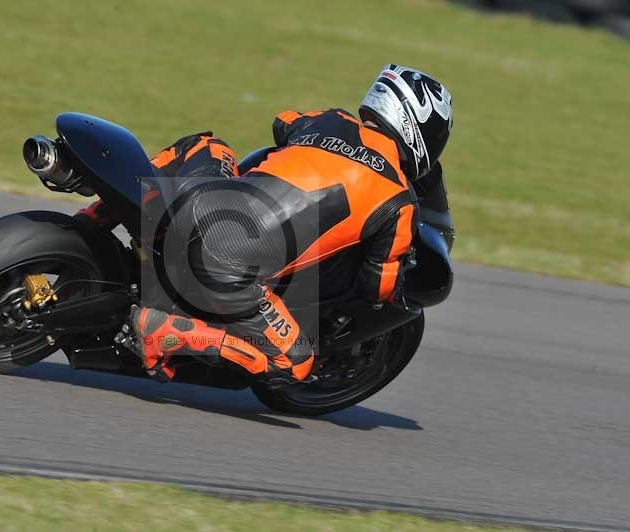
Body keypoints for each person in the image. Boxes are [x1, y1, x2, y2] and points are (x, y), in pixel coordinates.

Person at [80, 64, 454, 386]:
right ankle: (168, 332)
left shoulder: (331, 119)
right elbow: (378, 287)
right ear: (420, 131)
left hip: (196, 209)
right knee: (295, 364)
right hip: (227, 269)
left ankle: (94, 219)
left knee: (206, 145)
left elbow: (284, 122)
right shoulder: (399, 200)